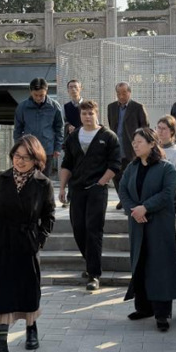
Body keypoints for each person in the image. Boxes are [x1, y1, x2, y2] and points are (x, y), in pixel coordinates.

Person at [0, 135, 56, 352]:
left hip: (26, 244)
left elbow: (49, 216)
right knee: (0, 296)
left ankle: (31, 327)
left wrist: (38, 241)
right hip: (2, 244)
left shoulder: (43, 184)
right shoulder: (1, 179)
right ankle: (1, 349)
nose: (20, 161)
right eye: (17, 156)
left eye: (26, 158)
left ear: (36, 160)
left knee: (28, 291)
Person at [119, 127, 176, 332]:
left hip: (159, 225)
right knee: (141, 263)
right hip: (137, 224)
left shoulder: (166, 168)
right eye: (133, 142)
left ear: (152, 144)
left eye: (139, 142)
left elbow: (168, 193)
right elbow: (123, 190)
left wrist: (145, 207)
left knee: (160, 267)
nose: (135, 145)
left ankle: (162, 313)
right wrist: (133, 210)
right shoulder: (132, 167)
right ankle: (143, 307)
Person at [59, 100, 121, 291]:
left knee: (93, 230)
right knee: (78, 228)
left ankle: (94, 275)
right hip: (77, 189)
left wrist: (101, 182)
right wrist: (62, 188)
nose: (87, 116)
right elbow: (67, 164)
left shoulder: (108, 137)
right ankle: (90, 262)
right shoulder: (73, 137)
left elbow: (115, 165)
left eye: (90, 113)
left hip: (97, 190)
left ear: (96, 114)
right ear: (80, 115)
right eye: (84, 113)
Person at [107, 82, 149, 209]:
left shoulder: (138, 107)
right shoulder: (111, 107)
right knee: (116, 175)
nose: (121, 96)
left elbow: (145, 128)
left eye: (124, 93)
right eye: (118, 93)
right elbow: (111, 125)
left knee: (131, 176)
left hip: (131, 148)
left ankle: (131, 201)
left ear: (129, 92)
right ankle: (122, 199)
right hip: (116, 146)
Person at [14, 78, 64, 178]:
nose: (38, 98)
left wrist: (58, 147)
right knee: (28, 178)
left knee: (44, 179)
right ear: (30, 92)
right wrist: (18, 148)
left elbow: (59, 128)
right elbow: (18, 129)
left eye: (41, 95)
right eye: (35, 95)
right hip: (28, 149)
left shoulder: (54, 106)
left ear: (46, 91)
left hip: (47, 149)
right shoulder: (22, 107)